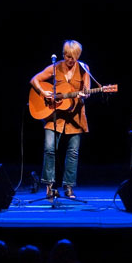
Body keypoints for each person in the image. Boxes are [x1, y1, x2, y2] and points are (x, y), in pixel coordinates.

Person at [30, 40, 91, 199]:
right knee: (49, 149)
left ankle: (68, 187)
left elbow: (87, 90)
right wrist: (44, 93)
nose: (68, 59)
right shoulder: (56, 67)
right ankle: (49, 186)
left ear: (77, 56)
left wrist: (85, 94)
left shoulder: (84, 69)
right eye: (65, 55)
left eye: (71, 57)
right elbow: (34, 79)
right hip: (54, 115)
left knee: (72, 153)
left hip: (74, 116)